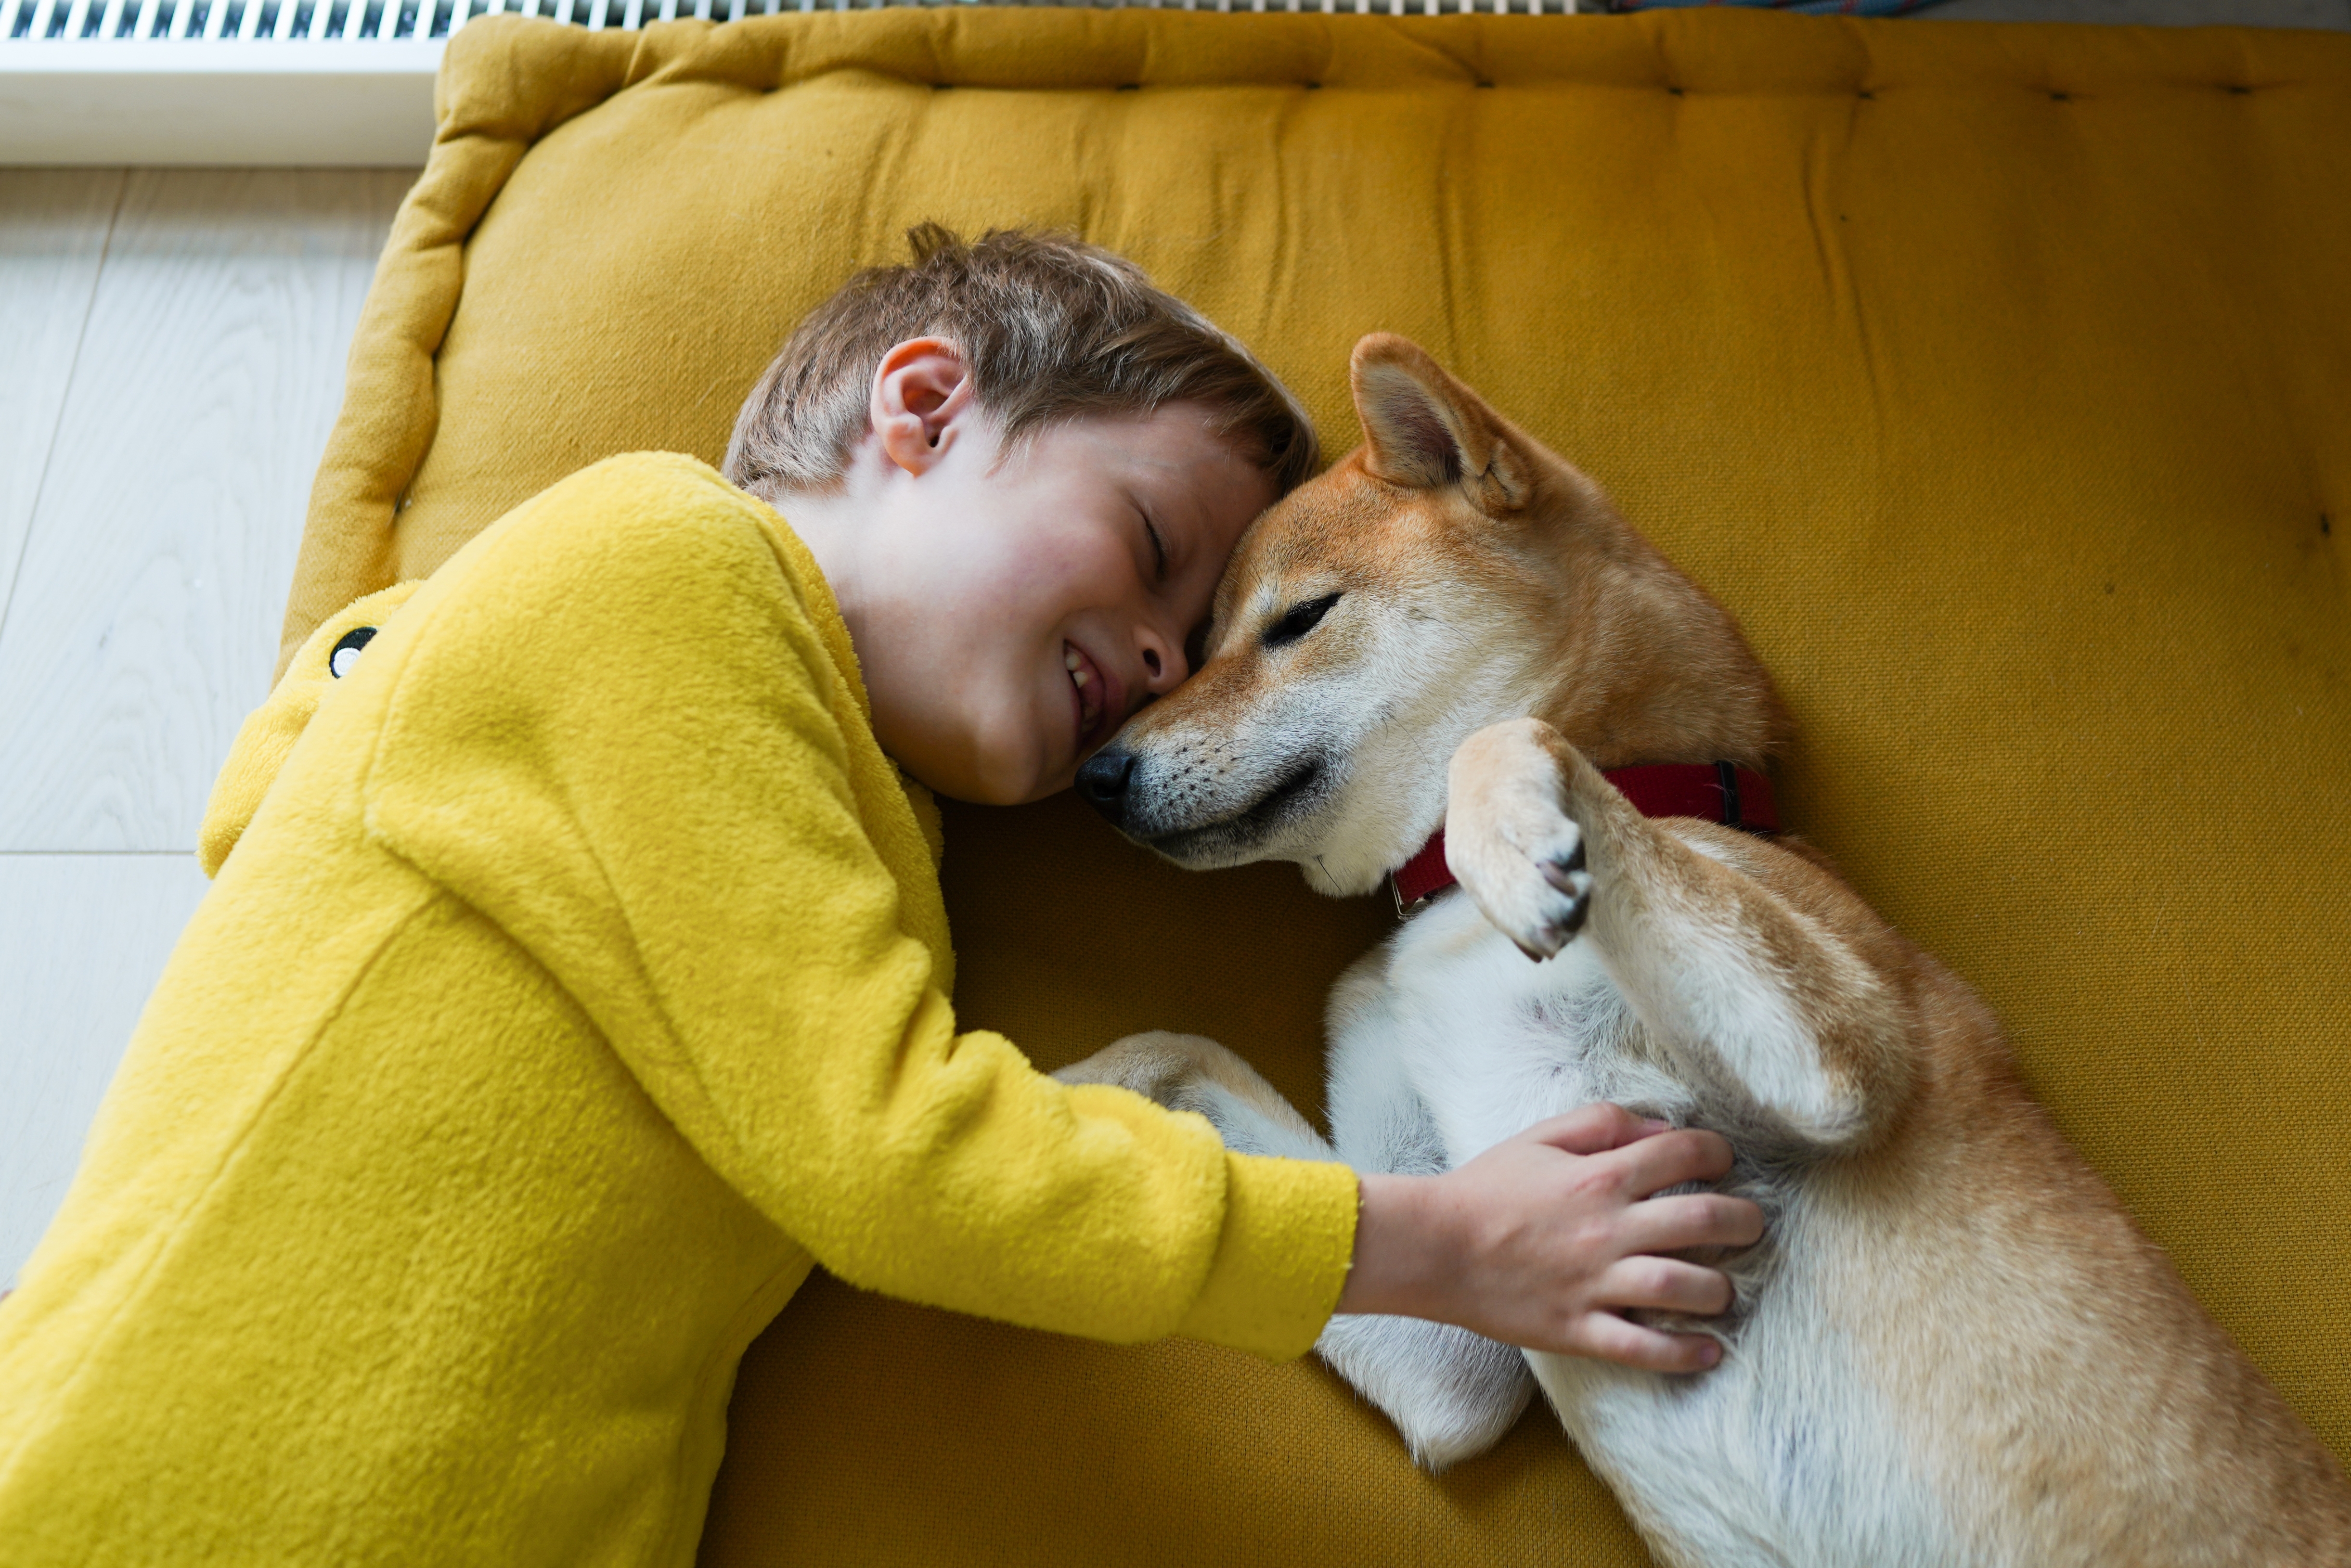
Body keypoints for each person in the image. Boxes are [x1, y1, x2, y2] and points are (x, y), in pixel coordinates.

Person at [0, 226, 1762, 1566]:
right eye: (1155, 553)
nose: (1161, 662)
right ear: (920, 408)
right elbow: (898, 1158)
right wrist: (1446, 1245)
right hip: (173, 1483)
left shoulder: (863, 864)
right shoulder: (661, 556)